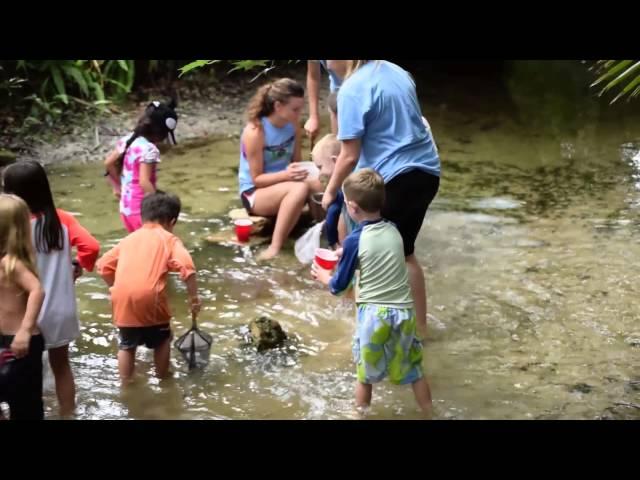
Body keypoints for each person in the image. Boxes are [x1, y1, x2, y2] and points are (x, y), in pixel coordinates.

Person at [321, 60, 440, 340]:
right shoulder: (396, 70)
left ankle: (368, 332)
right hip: (426, 172)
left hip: (392, 179)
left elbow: (349, 155)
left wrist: (329, 191)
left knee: (369, 253)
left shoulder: (352, 89)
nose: (326, 63)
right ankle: (419, 331)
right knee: (405, 253)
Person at [311, 169, 432, 415]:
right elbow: (376, 253)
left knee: (364, 375)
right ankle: (430, 412)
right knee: (414, 371)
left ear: (352, 208)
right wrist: (346, 254)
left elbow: (339, 287)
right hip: (403, 314)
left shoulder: (355, 241)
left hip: (374, 317)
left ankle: (359, 413)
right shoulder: (394, 230)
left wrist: (325, 277)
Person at [2, 161, 100, 417]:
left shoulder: (12, 225)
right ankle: (67, 413)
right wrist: (79, 265)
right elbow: (91, 246)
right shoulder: (61, 219)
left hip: (23, 313)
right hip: (59, 309)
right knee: (61, 366)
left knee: (21, 370)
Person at [96, 192, 201, 382]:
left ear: (142, 216)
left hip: (121, 299)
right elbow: (188, 267)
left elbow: (103, 266)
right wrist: (194, 299)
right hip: (150, 298)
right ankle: (163, 378)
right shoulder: (168, 239)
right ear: (172, 221)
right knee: (162, 339)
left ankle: (126, 384)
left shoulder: (128, 239)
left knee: (127, 344)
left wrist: (117, 286)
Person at [238, 78, 322, 260]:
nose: (300, 114)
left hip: (285, 182)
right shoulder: (255, 132)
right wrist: (287, 174)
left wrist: (304, 171)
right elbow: (257, 179)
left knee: (323, 184)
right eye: (295, 109)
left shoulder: (293, 125)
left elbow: (297, 163)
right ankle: (275, 247)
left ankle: (324, 233)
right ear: (278, 106)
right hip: (255, 193)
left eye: (301, 108)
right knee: (299, 189)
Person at [0, 194, 46, 420]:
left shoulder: (11, 263)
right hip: (4, 340)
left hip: (20, 343)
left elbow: (37, 290)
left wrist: (25, 330)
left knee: (26, 406)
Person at [104, 99, 178, 232]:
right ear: (160, 132)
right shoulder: (150, 150)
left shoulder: (128, 140)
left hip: (126, 210)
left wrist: (117, 187)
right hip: (142, 212)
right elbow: (144, 182)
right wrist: (157, 209)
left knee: (138, 246)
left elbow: (108, 163)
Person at [304, 61, 345, 142]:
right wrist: (313, 116)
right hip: (337, 95)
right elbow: (313, 77)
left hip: (367, 92)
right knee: (338, 144)